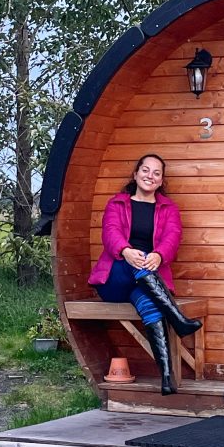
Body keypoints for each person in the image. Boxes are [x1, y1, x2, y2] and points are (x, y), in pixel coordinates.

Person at [88, 153, 201, 395]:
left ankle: (167, 377)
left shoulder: (169, 208)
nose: (150, 176)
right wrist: (126, 250)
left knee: (150, 306)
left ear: (161, 181)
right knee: (134, 260)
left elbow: (173, 236)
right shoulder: (117, 203)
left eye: (156, 173)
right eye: (146, 170)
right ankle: (178, 319)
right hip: (115, 278)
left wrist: (159, 255)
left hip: (147, 280)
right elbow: (110, 233)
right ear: (136, 174)